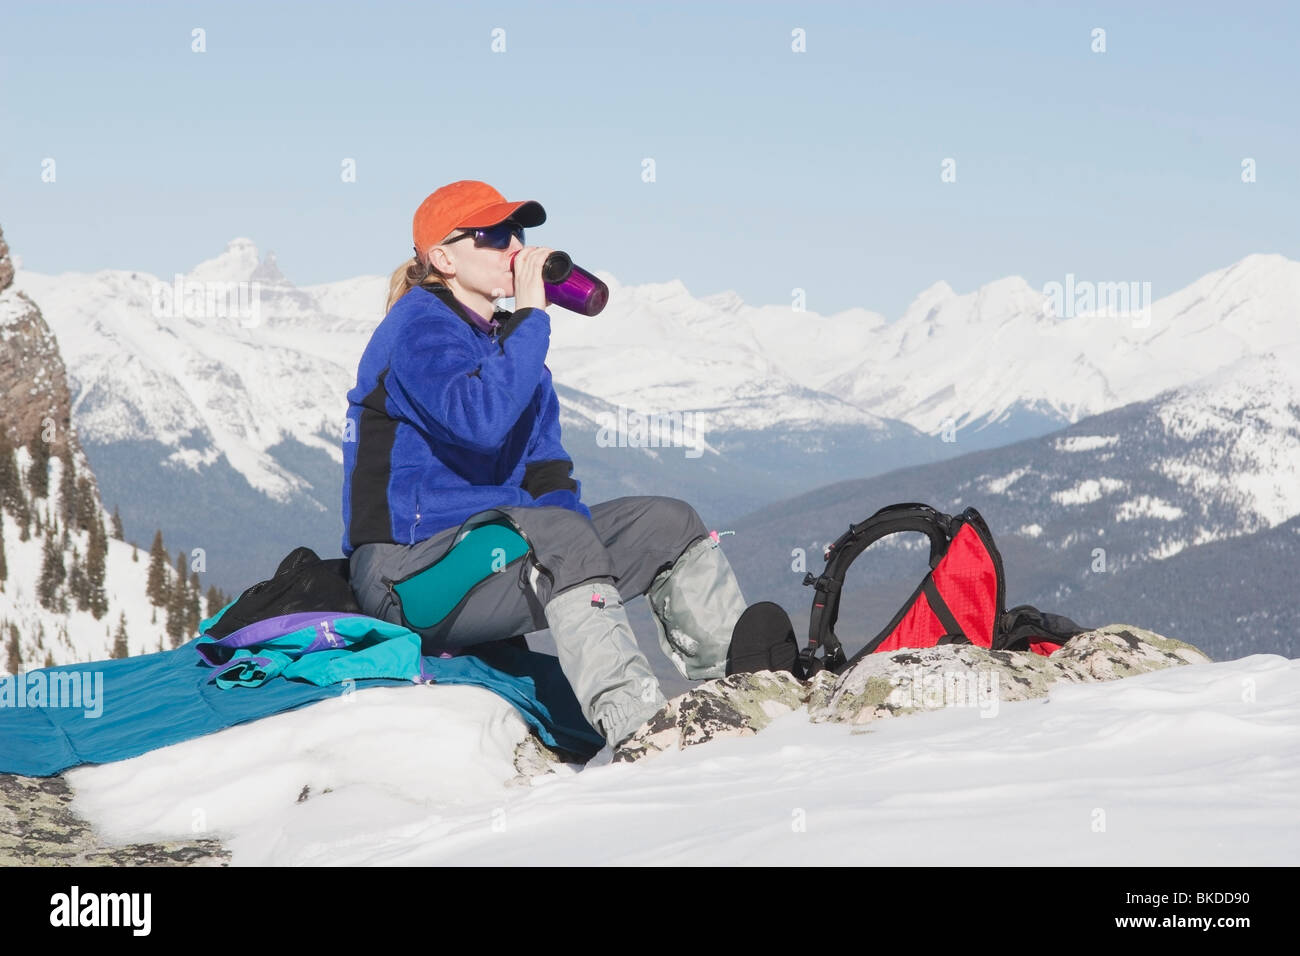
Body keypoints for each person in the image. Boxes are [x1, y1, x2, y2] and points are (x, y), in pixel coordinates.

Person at [342, 180, 750, 752]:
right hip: (408, 575)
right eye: (491, 234)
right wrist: (533, 316)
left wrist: (581, 551)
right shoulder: (417, 327)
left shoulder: (507, 343)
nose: (513, 246)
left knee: (668, 522)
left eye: (518, 233)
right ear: (443, 258)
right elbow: (478, 422)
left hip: (493, 554)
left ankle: (744, 686)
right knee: (556, 530)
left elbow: (546, 474)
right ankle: (639, 727)